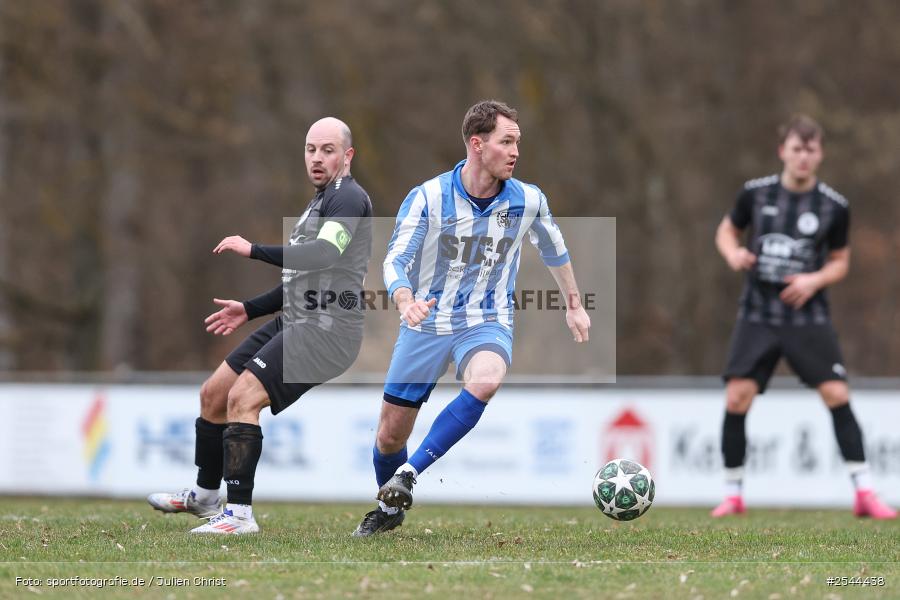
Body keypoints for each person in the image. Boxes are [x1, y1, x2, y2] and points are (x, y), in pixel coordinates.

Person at [352, 100, 591, 537]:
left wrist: (573, 304)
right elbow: (395, 259)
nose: (516, 151)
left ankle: (409, 473)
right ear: (477, 145)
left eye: (518, 141)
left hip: (486, 320)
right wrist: (405, 301)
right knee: (388, 436)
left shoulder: (529, 200)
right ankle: (388, 508)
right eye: (506, 141)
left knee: (485, 380)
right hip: (425, 323)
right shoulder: (428, 196)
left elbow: (556, 250)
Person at [148, 117, 373, 534]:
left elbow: (323, 255)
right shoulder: (320, 202)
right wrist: (248, 309)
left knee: (242, 398)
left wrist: (252, 249)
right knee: (214, 393)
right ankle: (205, 497)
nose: (317, 158)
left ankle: (238, 516)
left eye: (327, 150)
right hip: (299, 317)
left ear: (348, 156)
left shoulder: (348, 199)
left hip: (328, 330)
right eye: (310, 149)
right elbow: (303, 281)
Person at [712, 114, 895, 519]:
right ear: (783, 151)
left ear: (820, 154)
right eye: (796, 149)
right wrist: (733, 253)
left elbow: (840, 262)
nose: (803, 157)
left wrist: (814, 281)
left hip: (807, 317)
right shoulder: (755, 194)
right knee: (737, 396)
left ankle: (865, 492)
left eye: (811, 150)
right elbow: (726, 232)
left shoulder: (833, 206)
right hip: (758, 314)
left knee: (836, 394)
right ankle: (732, 494)